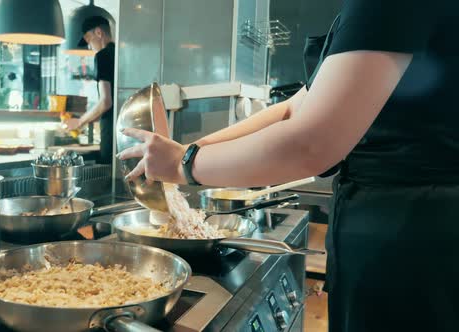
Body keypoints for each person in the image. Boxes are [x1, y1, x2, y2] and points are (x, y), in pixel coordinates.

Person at [117, 0, 459, 331]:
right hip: (398, 232)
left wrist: (185, 166)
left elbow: (313, 143)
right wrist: (192, 150)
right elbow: (296, 107)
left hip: (413, 244)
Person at [65, 16, 115, 164]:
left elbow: (106, 102)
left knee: (109, 178)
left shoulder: (103, 56)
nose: (88, 46)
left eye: (88, 39)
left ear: (98, 32)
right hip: (126, 131)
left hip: (110, 132)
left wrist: (79, 122)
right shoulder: (120, 54)